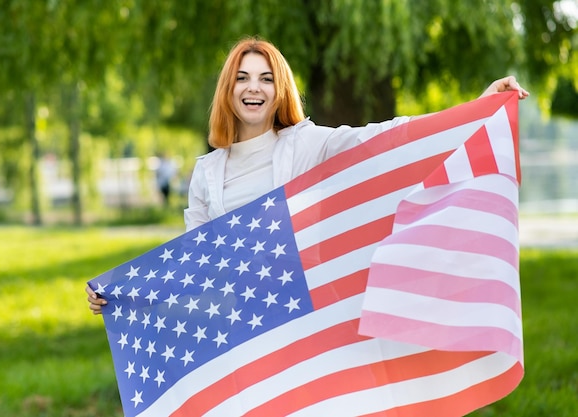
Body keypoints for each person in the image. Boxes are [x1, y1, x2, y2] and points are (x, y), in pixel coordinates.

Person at [87, 36, 529, 313]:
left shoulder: (303, 143)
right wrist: (124, 293)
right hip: (241, 316)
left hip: (304, 309)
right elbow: (192, 261)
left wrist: (475, 108)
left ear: (279, 90)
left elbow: (385, 138)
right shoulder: (207, 172)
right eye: (242, 78)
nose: (253, 88)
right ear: (229, 90)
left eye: (265, 78)